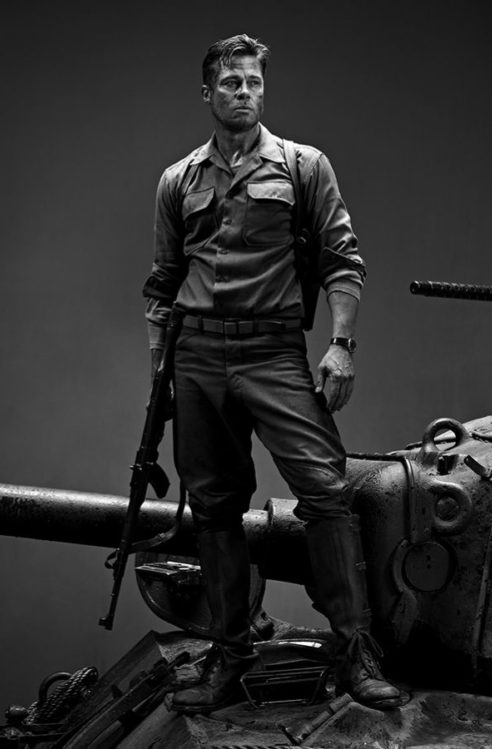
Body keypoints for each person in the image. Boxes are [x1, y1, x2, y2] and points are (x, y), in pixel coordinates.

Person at [143, 33, 407, 713]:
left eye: (254, 81)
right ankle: (230, 657)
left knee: (324, 490)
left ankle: (355, 651)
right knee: (214, 508)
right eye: (231, 82)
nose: (244, 92)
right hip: (197, 355)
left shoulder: (302, 166)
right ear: (208, 92)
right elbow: (164, 284)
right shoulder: (179, 180)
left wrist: (341, 345)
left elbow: (342, 259)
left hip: (272, 350)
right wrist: (160, 374)